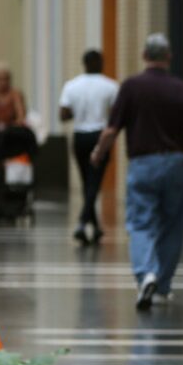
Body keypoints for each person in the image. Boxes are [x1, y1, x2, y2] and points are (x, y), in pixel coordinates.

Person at [90, 33, 183, 311]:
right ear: (169, 57)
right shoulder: (181, 89)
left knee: (141, 223)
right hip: (177, 163)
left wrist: (99, 152)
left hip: (143, 164)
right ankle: (162, 287)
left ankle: (146, 274)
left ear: (144, 56)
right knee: (172, 224)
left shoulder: (131, 87)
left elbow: (112, 130)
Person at [59, 49, 118, 246]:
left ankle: (95, 226)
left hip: (80, 136)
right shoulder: (110, 86)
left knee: (87, 181)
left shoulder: (71, 86)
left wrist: (79, 110)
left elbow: (63, 114)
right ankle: (83, 222)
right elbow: (117, 114)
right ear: (101, 63)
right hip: (99, 136)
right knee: (94, 182)